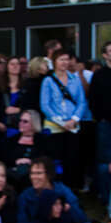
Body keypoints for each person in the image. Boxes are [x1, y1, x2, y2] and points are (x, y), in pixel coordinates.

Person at [40, 49, 86, 189]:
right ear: (55, 62)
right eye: (61, 59)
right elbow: (45, 104)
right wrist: (60, 121)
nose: (65, 62)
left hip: (72, 125)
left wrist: (74, 119)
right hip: (54, 126)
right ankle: (55, 188)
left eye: (67, 59)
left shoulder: (75, 79)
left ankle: (71, 189)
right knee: (55, 160)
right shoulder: (48, 81)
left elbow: (82, 102)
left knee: (72, 159)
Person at [3, 109, 51, 191]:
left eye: (25, 121)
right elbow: (3, 158)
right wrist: (16, 161)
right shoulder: (11, 140)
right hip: (13, 171)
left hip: (34, 172)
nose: (20, 123)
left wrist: (31, 161)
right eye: (20, 120)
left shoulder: (43, 140)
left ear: (34, 124)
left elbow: (47, 158)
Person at [1, 56, 25, 138]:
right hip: (3, 127)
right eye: (12, 64)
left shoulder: (26, 86)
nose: (15, 66)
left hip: (21, 126)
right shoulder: (0, 87)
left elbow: (31, 105)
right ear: (7, 67)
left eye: (17, 64)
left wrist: (19, 109)